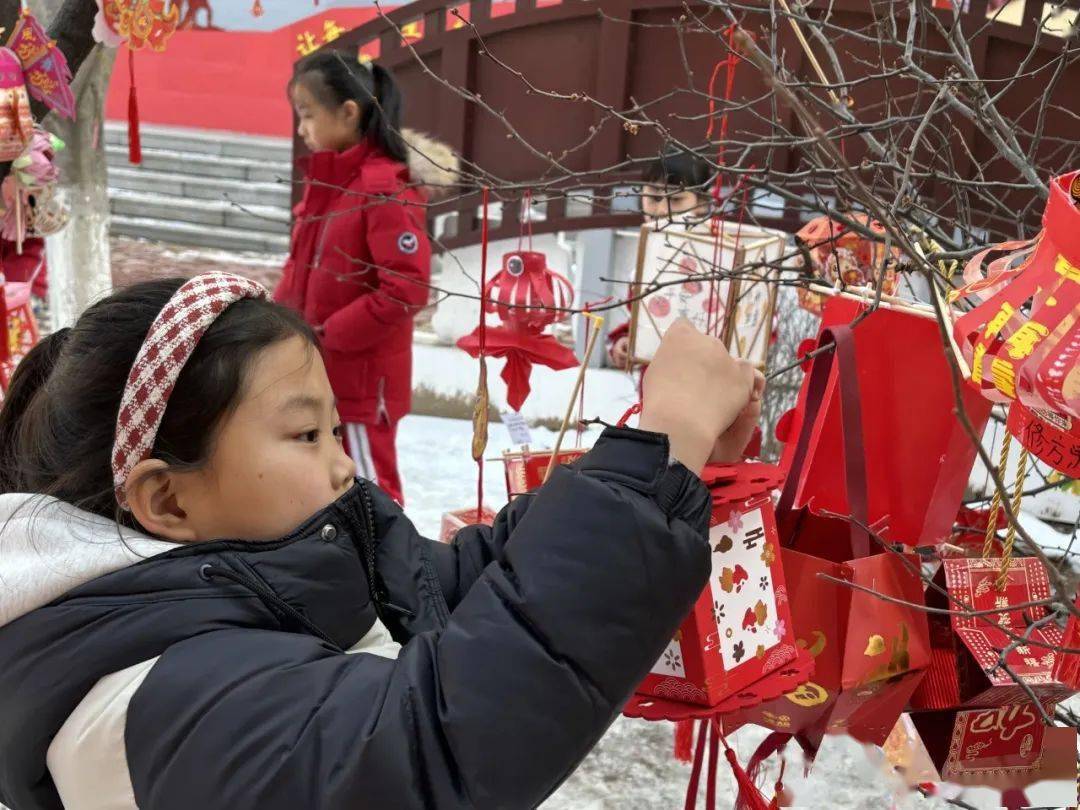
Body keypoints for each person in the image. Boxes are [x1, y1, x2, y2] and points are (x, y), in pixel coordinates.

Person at [0, 273, 763, 810]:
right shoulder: (159, 701)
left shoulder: (274, 570)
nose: (343, 465)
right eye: (304, 433)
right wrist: (664, 445)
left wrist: (664, 466)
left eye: (336, 428)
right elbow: (428, 744)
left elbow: (468, 589)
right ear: (167, 498)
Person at [276, 51, 456, 505]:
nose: (302, 130)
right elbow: (299, 270)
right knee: (324, 492)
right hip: (320, 371)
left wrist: (328, 334)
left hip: (358, 384)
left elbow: (406, 287)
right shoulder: (332, 184)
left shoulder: (382, 190)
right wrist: (273, 324)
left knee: (370, 495)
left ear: (349, 112)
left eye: (308, 115)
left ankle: (388, 575)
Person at [608, 147, 715, 369]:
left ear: (703, 202)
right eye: (654, 197)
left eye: (675, 199)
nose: (662, 209)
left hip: (707, 381)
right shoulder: (648, 247)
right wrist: (628, 341)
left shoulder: (720, 253)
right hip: (655, 382)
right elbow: (645, 319)